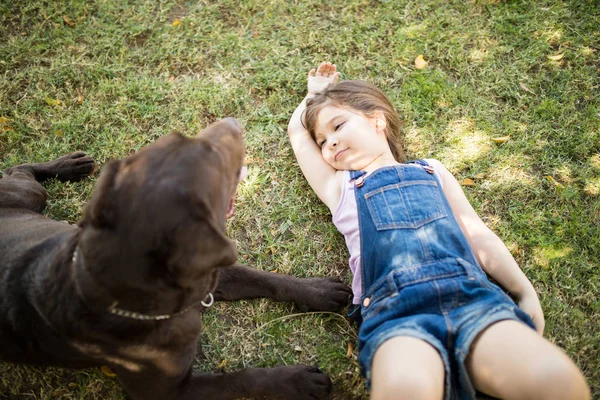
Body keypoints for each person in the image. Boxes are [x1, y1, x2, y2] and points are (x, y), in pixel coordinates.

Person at [287, 61, 590, 400]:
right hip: (396, 314)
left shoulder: (432, 171)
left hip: (472, 299)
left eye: (338, 126)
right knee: (407, 389)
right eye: (323, 140)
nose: (330, 143)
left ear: (377, 120)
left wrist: (524, 291)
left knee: (555, 380)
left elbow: (477, 235)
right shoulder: (339, 187)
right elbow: (298, 135)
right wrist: (312, 94)